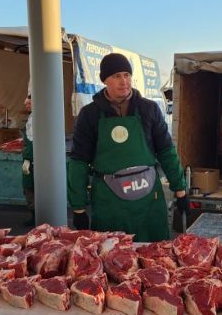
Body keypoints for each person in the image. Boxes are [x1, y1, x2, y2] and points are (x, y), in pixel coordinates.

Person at [67, 53, 189, 241]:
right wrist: (78, 208)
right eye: (116, 76)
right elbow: (79, 162)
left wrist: (180, 190)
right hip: (109, 202)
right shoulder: (89, 114)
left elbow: (166, 152)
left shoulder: (149, 109)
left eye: (127, 75)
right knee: (112, 258)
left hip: (148, 200)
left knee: (154, 257)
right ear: (104, 80)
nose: (124, 81)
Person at [21, 92, 35, 226]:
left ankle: (36, 216)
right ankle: (34, 215)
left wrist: (28, 157)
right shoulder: (32, 117)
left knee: (31, 188)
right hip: (29, 158)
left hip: (32, 159)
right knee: (29, 187)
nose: (27, 105)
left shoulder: (38, 117)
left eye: (29, 103)